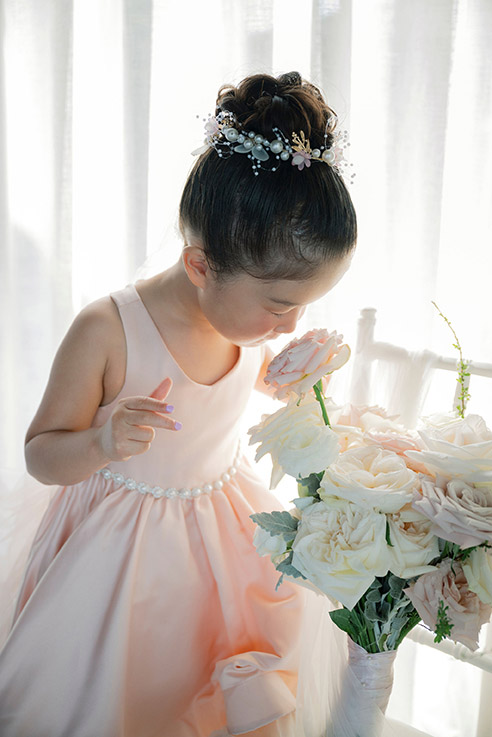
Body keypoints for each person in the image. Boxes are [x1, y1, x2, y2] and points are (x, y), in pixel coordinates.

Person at [0, 71, 356, 736]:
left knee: (218, 678)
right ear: (199, 266)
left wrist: (293, 375)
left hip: (222, 534)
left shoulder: (240, 320)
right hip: (124, 556)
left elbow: (231, 386)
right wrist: (101, 442)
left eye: (304, 306)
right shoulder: (107, 330)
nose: (290, 322)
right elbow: (40, 454)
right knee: (131, 692)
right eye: (280, 305)